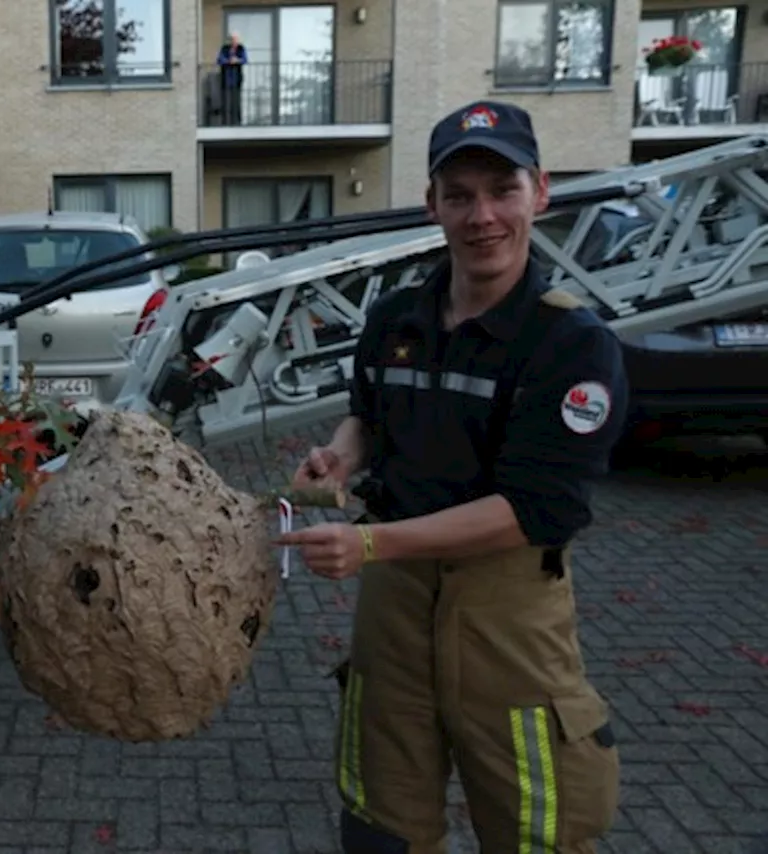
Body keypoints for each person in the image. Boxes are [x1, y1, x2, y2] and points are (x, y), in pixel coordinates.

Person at [276, 100, 627, 853]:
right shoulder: (396, 318)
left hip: (507, 617)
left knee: (539, 831)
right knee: (381, 827)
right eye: (460, 195)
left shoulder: (571, 343)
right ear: (432, 204)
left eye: (502, 190)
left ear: (541, 191)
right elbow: (368, 416)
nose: (482, 216)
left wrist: (371, 546)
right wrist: (342, 456)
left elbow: (536, 508)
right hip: (394, 611)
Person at [216, 32, 247, 126]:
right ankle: (225, 122)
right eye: (233, 39)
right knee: (226, 102)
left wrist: (237, 60)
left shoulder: (241, 48)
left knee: (236, 102)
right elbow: (219, 60)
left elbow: (245, 60)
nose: (234, 41)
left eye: (236, 39)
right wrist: (229, 61)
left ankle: (237, 122)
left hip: (236, 79)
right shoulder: (225, 48)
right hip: (226, 79)